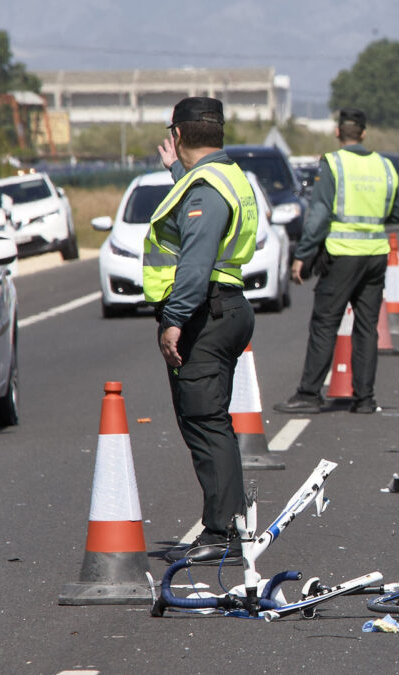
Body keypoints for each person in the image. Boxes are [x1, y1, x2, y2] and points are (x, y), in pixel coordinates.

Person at [146, 97, 258, 563]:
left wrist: (174, 320)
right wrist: (177, 171)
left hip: (205, 314)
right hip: (226, 307)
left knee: (205, 422)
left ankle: (222, 532)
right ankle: (229, 522)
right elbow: (198, 209)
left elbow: (194, 261)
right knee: (213, 421)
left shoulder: (207, 186)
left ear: (177, 133)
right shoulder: (222, 175)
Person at [275, 108, 399, 415]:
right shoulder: (385, 166)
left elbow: (318, 216)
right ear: (363, 133)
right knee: (366, 327)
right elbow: (398, 213)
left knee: (325, 323)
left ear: (338, 132)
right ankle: (365, 399)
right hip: (375, 255)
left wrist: (303, 256)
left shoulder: (333, 164)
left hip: (343, 255)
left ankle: (309, 394)